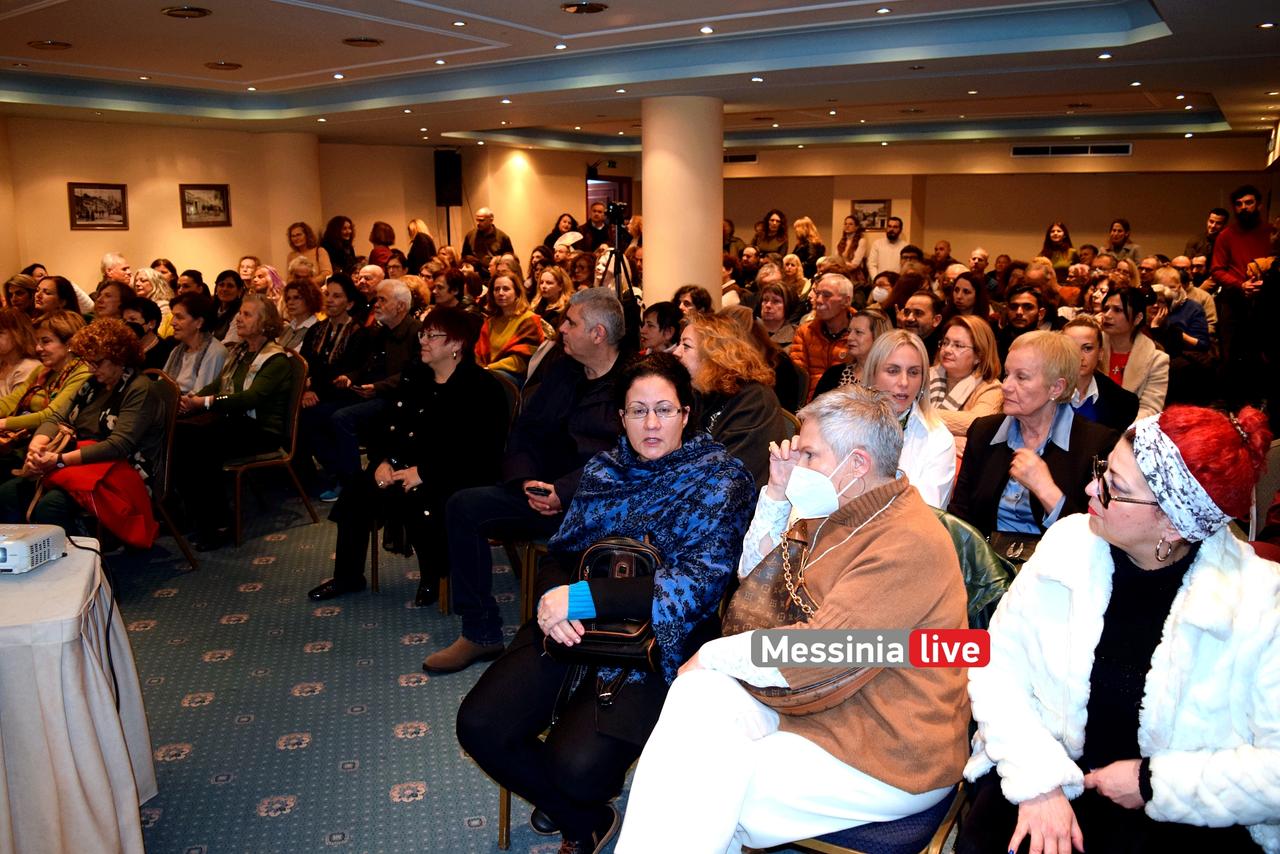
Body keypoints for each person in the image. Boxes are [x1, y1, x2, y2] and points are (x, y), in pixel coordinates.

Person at [616, 384, 970, 853]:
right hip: (820, 707)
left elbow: (822, 650)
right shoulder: (841, 508)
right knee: (696, 695)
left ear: (858, 464)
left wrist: (716, 653)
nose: (797, 462)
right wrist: (778, 493)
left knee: (698, 787)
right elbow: (756, 580)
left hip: (888, 749)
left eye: (809, 454)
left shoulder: (908, 542)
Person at [458, 352, 755, 854]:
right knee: (480, 725)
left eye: (664, 409)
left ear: (686, 413)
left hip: (660, 639)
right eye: (638, 411)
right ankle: (585, 819)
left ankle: (568, 796)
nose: (651, 423)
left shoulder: (722, 479)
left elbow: (699, 582)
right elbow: (563, 552)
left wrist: (583, 597)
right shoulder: (604, 470)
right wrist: (553, 600)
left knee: (576, 769)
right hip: (574, 623)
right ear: (621, 417)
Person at [959, 405, 1279, 854]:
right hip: (1050, 767)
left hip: (1181, 812)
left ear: (1173, 523)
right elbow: (996, 667)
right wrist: (1039, 781)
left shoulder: (1258, 603)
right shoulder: (1068, 545)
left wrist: (1153, 783)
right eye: (1103, 469)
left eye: (1115, 487)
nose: (1091, 488)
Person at [425, 289, 626, 674]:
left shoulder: (631, 384)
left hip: (593, 505)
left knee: (571, 564)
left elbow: (622, 458)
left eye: (571, 323)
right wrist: (526, 481)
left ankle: (571, 642)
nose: (560, 330)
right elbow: (524, 429)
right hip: (537, 491)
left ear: (598, 334)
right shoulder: (562, 370)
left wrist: (563, 492)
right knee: (464, 506)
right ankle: (480, 631)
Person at [309, 307, 509, 604]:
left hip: (459, 474)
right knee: (357, 490)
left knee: (419, 497)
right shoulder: (417, 376)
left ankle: (434, 575)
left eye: (432, 335)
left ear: (457, 344)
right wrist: (385, 461)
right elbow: (391, 425)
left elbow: (478, 452)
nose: (423, 341)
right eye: (422, 334)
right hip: (406, 466)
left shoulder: (481, 388)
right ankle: (348, 576)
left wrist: (424, 473)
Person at [949, 330, 1119, 539]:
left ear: (1056, 388)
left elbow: (1100, 536)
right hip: (984, 557)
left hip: (1057, 558)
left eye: (1021, 377)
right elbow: (959, 517)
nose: (1006, 386)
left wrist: (1046, 490)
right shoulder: (984, 432)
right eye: (1007, 374)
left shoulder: (1097, 444)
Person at [0, 319, 165, 533]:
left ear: (120, 357)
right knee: (7, 494)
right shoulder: (93, 384)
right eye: (88, 361)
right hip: (80, 462)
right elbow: (57, 418)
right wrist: (37, 447)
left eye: (97, 362)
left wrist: (58, 460)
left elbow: (118, 445)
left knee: (50, 507)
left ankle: (82, 551)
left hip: (122, 469)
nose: (91, 368)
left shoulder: (139, 389)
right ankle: (22, 550)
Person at [172, 294, 295, 550]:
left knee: (201, 449)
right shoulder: (240, 351)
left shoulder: (276, 359)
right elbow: (219, 384)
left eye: (247, 315)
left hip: (262, 431)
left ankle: (219, 524)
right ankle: (196, 517)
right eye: (239, 313)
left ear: (265, 322)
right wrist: (193, 398)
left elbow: (251, 398)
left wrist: (205, 403)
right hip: (235, 423)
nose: (239, 318)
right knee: (180, 438)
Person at [677, 312, 788, 487]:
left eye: (686, 346)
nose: (676, 352)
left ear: (715, 353)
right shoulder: (701, 393)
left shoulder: (755, 399)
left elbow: (731, 474)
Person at [862, 330, 956, 507]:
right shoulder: (841, 423)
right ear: (872, 374)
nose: (904, 382)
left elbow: (924, 513)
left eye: (913, 372)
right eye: (893, 371)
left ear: (923, 381)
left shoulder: (938, 439)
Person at [0, 311, 90, 447]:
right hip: (25, 439)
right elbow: (11, 401)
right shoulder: (42, 370)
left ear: (69, 343)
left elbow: (50, 415)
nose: (38, 348)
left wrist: (4, 423)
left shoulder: (83, 372)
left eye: (45, 341)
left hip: (53, 445)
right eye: (37, 341)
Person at [929, 315, 1004, 458]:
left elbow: (976, 422)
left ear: (979, 355)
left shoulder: (992, 388)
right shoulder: (925, 375)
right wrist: (949, 439)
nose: (947, 350)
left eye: (958, 345)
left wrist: (920, 414)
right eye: (945, 343)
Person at [1099, 288, 1168, 421]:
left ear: (1137, 318)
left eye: (1117, 310)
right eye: (1106, 309)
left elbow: (1150, 409)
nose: (1107, 315)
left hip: (1129, 428)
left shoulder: (1157, 360)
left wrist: (1121, 430)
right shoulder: (1091, 347)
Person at [1062, 316, 1139, 432]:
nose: (1079, 357)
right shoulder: (1042, 392)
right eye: (1070, 348)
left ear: (1100, 354)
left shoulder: (1123, 402)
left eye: (1087, 348)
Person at [789, 273, 853, 400]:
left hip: (847, 406)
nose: (818, 300)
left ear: (846, 301)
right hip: (810, 405)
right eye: (817, 294)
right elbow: (797, 379)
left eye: (826, 295)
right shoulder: (805, 332)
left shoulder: (861, 335)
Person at [475, 274, 545, 383]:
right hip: (489, 372)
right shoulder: (490, 322)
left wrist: (489, 369)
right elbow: (478, 353)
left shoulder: (529, 320)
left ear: (517, 293)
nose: (500, 293)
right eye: (496, 289)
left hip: (515, 376)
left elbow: (522, 360)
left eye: (506, 289)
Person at [812, 306, 891, 397]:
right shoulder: (834, 374)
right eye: (849, 331)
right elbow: (814, 406)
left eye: (858, 332)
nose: (849, 338)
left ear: (878, 336)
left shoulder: (892, 378)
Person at [162, 291, 228, 394]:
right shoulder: (177, 350)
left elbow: (201, 394)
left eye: (179, 317)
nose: (172, 323)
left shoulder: (215, 352)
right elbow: (162, 382)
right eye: (173, 316)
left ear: (199, 322)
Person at [122, 297, 176, 372]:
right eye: (124, 320)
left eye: (133, 319)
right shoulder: (123, 350)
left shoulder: (165, 353)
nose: (127, 325)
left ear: (152, 324)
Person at [462, 207, 515, 275]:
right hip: (475, 275)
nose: (478, 223)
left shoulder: (502, 237)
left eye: (481, 220)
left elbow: (509, 260)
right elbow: (464, 257)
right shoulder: (470, 236)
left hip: (495, 275)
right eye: (477, 220)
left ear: (491, 220)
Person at [0, 310, 40, 397]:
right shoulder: (3, 363)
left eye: (0, 333)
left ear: (18, 333)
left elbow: (15, 404)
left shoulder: (28, 367)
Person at [278, 279, 321, 352]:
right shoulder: (287, 329)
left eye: (296, 298)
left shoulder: (318, 330)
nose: (290, 302)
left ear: (310, 299)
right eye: (288, 298)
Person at [285, 221, 332, 288]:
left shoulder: (320, 251)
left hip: (316, 290)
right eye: (293, 236)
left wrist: (308, 283)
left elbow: (327, 273)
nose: (296, 238)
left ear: (307, 235)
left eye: (299, 235)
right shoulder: (291, 255)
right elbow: (289, 278)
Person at [530, 265, 574, 330]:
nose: (543, 286)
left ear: (560, 286)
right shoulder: (536, 304)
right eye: (541, 282)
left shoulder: (567, 308)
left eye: (549, 283)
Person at [754, 281, 796, 349]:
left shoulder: (797, 336)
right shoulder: (748, 330)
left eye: (776, 301)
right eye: (765, 300)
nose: (768, 305)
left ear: (787, 305)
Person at [210, 269, 245, 342]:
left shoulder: (240, 314)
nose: (225, 289)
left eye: (230, 286)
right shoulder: (210, 308)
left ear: (240, 290)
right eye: (221, 285)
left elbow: (230, 343)